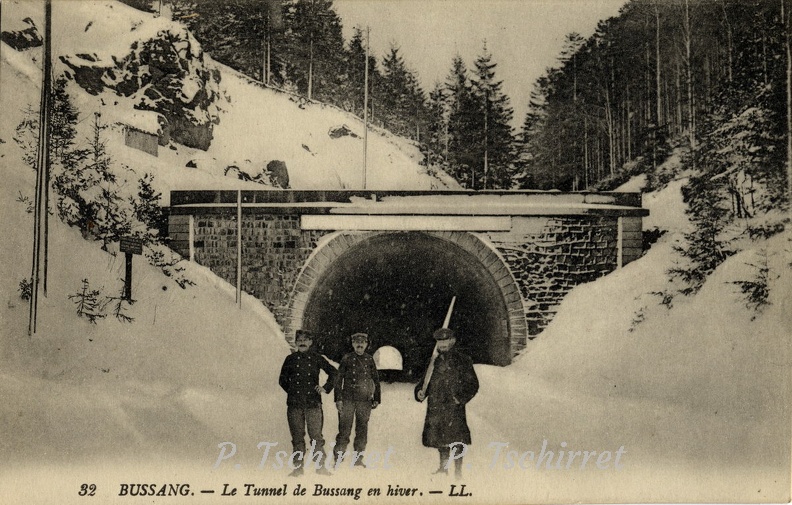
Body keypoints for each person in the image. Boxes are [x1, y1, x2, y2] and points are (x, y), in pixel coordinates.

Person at [414, 328, 479, 479]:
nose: (442, 344)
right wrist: (420, 392)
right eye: (439, 341)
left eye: (445, 340)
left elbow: (473, 384)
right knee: (440, 439)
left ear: (452, 341)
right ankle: (443, 468)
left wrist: (460, 398)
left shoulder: (463, 360)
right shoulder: (433, 360)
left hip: (453, 407)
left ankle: (458, 471)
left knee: (457, 440)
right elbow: (425, 382)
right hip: (436, 406)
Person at [278, 329, 337, 477]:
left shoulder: (317, 358)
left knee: (316, 437)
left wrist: (325, 388)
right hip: (294, 405)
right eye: (299, 340)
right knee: (297, 438)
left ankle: (321, 467)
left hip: (313, 404)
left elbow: (334, 373)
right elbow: (282, 380)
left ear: (310, 342)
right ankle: (298, 468)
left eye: (305, 340)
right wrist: (293, 391)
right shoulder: (290, 359)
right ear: (296, 342)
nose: (302, 342)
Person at [333, 332, 381, 467]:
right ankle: (338, 457)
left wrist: (376, 397)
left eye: (362, 343)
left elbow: (375, 380)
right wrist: (338, 398)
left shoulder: (370, 360)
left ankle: (358, 459)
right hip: (347, 398)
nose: (359, 345)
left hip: (364, 400)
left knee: (362, 430)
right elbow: (338, 380)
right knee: (344, 429)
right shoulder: (346, 359)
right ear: (352, 343)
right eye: (356, 342)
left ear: (366, 344)